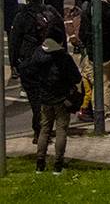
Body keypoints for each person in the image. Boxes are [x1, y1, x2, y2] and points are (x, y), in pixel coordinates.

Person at [22, 34, 82, 171]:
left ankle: (40, 162)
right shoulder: (64, 57)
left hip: (45, 98)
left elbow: (29, 72)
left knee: (44, 130)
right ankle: (58, 164)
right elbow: (76, 78)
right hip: (62, 98)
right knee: (61, 130)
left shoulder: (38, 55)